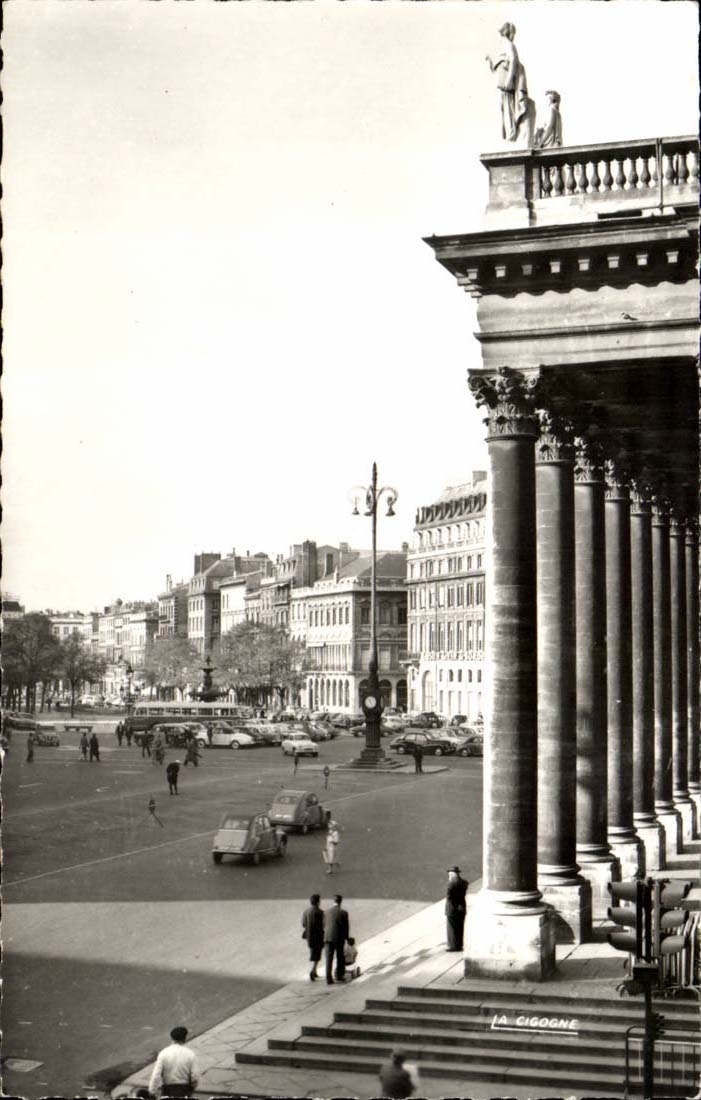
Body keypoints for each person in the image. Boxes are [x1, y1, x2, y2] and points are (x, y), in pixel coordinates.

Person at [485, 23, 532, 145]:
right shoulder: (504, 46)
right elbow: (497, 68)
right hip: (502, 85)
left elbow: (513, 61)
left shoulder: (509, 45)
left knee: (508, 110)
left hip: (507, 85)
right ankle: (507, 137)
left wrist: (509, 80)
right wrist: (490, 62)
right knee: (502, 110)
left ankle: (511, 137)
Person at [147, 1025, 199, 1099]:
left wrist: (152, 1091)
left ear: (172, 1038)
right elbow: (195, 1077)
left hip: (168, 1090)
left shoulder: (163, 1053)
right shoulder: (190, 1054)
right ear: (184, 1038)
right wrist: (191, 1089)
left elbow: (156, 1075)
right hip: (184, 1089)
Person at [324, 893, 349, 984]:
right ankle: (339, 975)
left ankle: (328, 978)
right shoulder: (343, 913)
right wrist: (347, 938)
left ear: (333, 901)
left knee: (328, 958)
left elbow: (324, 925)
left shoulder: (326, 912)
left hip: (328, 938)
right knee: (340, 957)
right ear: (340, 902)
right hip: (339, 938)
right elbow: (346, 927)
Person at [301, 893, 325, 982]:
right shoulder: (320, 912)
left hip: (309, 936)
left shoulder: (306, 912)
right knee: (317, 955)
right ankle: (312, 970)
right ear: (318, 902)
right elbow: (324, 925)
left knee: (315, 954)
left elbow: (303, 924)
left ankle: (314, 971)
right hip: (318, 937)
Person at [445, 865, 468, 951]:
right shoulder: (464, 883)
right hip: (462, 908)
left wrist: (455, 906)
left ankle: (453, 946)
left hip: (452, 910)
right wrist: (459, 906)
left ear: (452, 874)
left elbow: (449, 897)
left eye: (449, 874)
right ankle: (459, 945)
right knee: (460, 928)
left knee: (451, 929)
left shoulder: (451, 884)